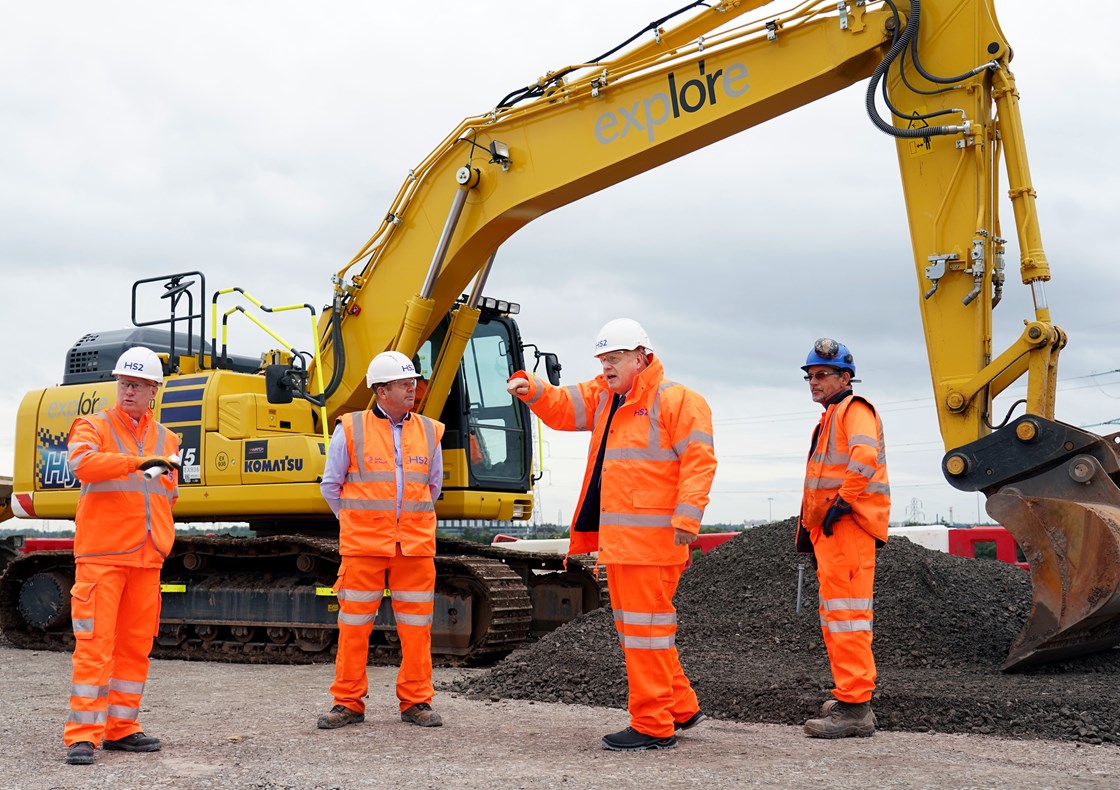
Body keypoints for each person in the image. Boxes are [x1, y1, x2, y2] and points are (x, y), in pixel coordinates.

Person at [506, 318, 716, 751]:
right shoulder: (606, 397)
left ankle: (653, 724)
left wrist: (687, 520)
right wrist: (534, 389)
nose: (606, 367)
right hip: (622, 545)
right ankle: (679, 706)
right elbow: (564, 405)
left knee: (645, 633)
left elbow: (700, 462)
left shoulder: (677, 400)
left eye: (615, 358)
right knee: (641, 631)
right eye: (603, 360)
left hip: (654, 546)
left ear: (643, 357)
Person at [62, 346, 181, 766]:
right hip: (103, 556)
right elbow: (83, 464)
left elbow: (169, 492)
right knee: (95, 646)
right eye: (123, 383)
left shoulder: (168, 438)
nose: (128, 391)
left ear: (154, 390)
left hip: (147, 559)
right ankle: (83, 736)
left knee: (134, 647)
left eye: (138, 385)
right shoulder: (91, 425)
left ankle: (122, 728)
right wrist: (135, 462)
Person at [317, 350, 446, 730]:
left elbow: (432, 486)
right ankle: (348, 702)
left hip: (414, 547)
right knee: (354, 628)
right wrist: (359, 522)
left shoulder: (429, 430)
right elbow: (331, 485)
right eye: (405, 383)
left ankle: (417, 701)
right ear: (381, 390)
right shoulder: (351, 428)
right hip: (364, 548)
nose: (414, 388)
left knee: (417, 628)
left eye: (413, 382)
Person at [794, 338, 890, 739]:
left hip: (848, 526)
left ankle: (855, 708)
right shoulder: (831, 416)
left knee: (847, 619)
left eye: (821, 375)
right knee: (839, 619)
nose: (813, 382)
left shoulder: (854, 410)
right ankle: (851, 699)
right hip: (832, 531)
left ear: (845, 377)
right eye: (810, 376)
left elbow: (864, 458)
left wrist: (842, 503)